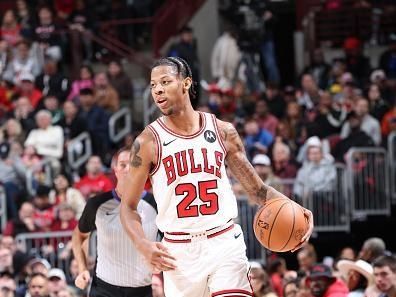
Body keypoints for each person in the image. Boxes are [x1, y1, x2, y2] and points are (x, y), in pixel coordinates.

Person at [120, 57, 313, 297]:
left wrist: (295, 208)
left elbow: (257, 190)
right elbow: (127, 206)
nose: (157, 89)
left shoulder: (223, 131)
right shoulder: (147, 142)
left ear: (186, 83)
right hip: (179, 252)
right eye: (153, 85)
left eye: (165, 81)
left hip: (224, 241)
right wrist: (142, 244)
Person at [72, 146, 157, 297]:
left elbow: (170, 241)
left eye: (134, 164)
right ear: (115, 170)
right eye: (123, 164)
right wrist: (82, 267)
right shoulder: (96, 204)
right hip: (104, 289)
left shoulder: (156, 203)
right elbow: (79, 236)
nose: (128, 169)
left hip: (142, 290)